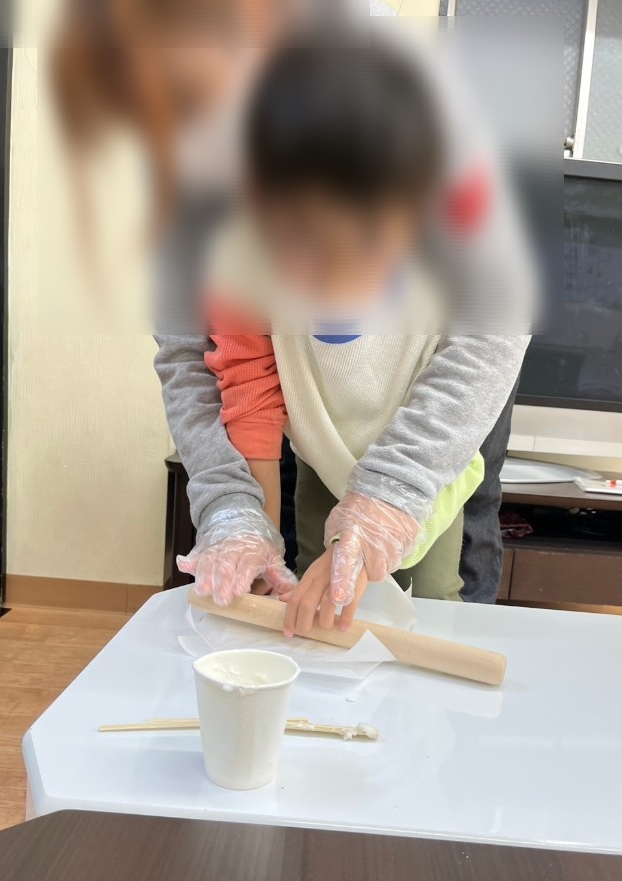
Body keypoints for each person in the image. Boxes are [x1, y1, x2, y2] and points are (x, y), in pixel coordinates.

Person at [51, 0, 535, 625]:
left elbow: (496, 319)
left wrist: (391, 495)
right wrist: (238, 514)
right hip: (317, 393)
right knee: (313, 570)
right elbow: (214, 361)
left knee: (444, 575)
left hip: (430, 353)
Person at [202, 37, 486, 634]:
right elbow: (249, 388)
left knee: (430, 602)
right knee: (316, 597)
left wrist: (382, 509)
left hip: (428, 451)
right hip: (322, 447)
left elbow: (484, 353)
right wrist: (255, 532)